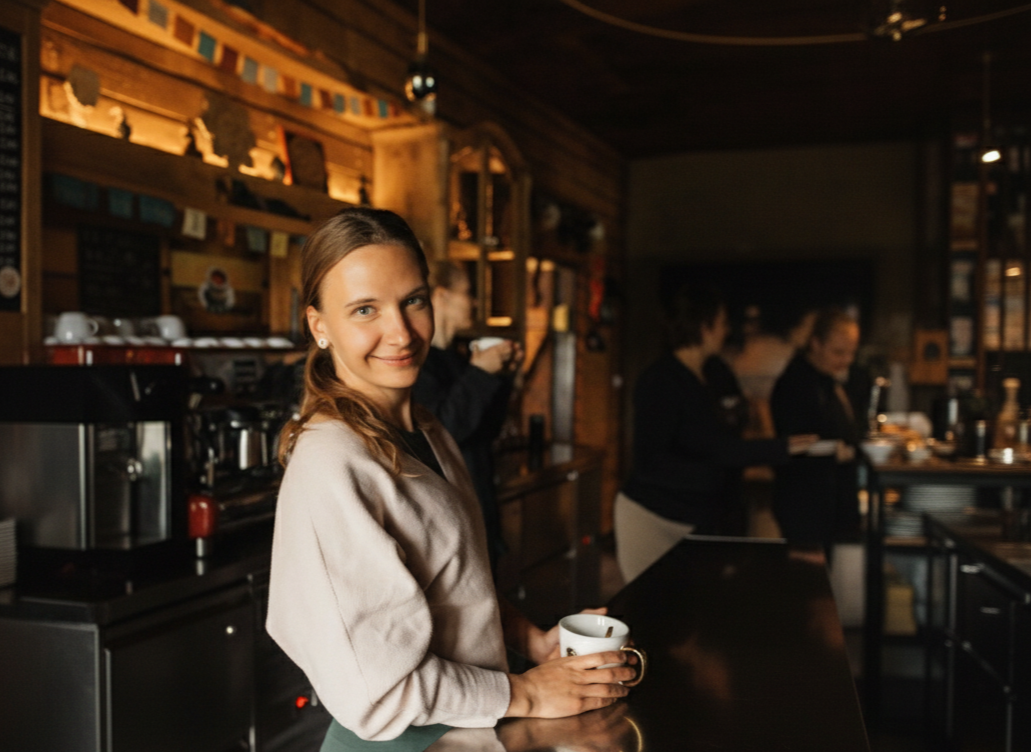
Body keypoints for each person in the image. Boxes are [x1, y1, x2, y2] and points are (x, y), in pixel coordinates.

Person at [266, 208, 634, 750]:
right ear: (319, 326)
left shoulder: (427, 430)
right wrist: (529, 693)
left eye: (413, 301)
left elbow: (458, 589)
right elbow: (377, 692)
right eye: (366, 309)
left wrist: (533, 642)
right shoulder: (332, 463)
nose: (401, 333)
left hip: (469, 727)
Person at [615, 282, 817, 583]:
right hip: (653, 518)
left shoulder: (718, 373)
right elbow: (650, 463)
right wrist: (717, 473)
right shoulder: (660, 381)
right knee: (652, 603)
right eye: (722, 322)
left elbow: (728, 441)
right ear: (704, 326)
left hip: (700, 519)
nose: (727, 330)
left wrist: (773, 445)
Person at [413, 260, 522, 573]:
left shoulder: (457, 359)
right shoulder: (417, 363)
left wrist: (502, 376)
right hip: (446, 518)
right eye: (468, 292)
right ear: (442, 296)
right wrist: (480, 374)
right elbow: (442, 430)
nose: (474, 302)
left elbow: (487, 429)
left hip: (479, 501)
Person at [769, 307, 865, 556]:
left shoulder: (828, 379)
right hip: (807, 504)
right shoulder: (796, 383)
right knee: (809, 575)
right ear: (815, 344)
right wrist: (837, 449)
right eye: (838, 352)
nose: (846, 360)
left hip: (832, 502)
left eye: (852, 353)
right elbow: (795, 443)